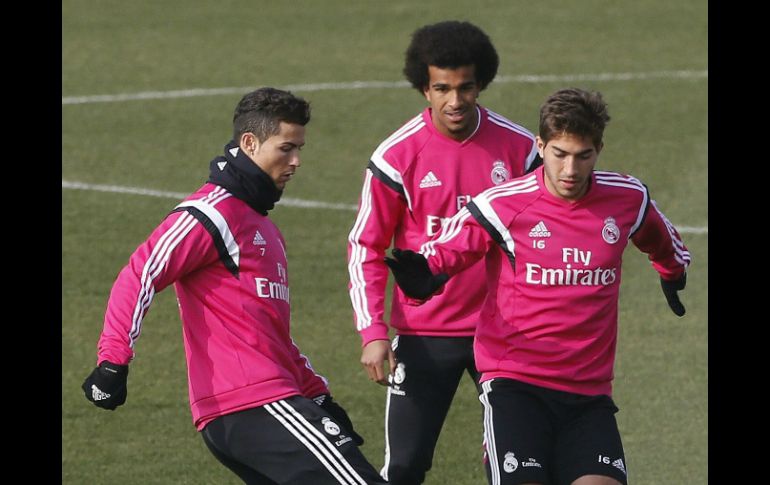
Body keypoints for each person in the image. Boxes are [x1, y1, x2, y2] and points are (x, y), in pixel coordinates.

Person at [383, 87, 690, 485]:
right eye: (559, 154)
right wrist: (427, 272)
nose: (570, 169)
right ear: (541, 146)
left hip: (589, 393)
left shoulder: (627, 198)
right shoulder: (502, 204)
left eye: (583, 156)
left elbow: (661, 239)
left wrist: (672, 271)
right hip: (515, 386)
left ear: (598, 150)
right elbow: (452, 247)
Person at [82, 87, 387, 485]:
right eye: (286, 148)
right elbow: (140, 274)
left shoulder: (264, 228)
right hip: (255, 403)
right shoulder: (211, 213)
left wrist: (317, 395)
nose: (296, 161)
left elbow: (270, 333)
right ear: (249, 143)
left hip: (255, 408)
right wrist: (113, 361)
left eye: (300, 149)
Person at [347, 20, 541, 484]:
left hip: (504, 332)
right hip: (424, 334)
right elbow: (366, 246)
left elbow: (544, 237)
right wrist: (372, 331)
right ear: (424, 88)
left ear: (481, 84)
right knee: (405, 466)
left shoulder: (519, 149)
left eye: (465, 87)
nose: (455, 101)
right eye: (442, 89)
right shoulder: (397, 156)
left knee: (517, 464)